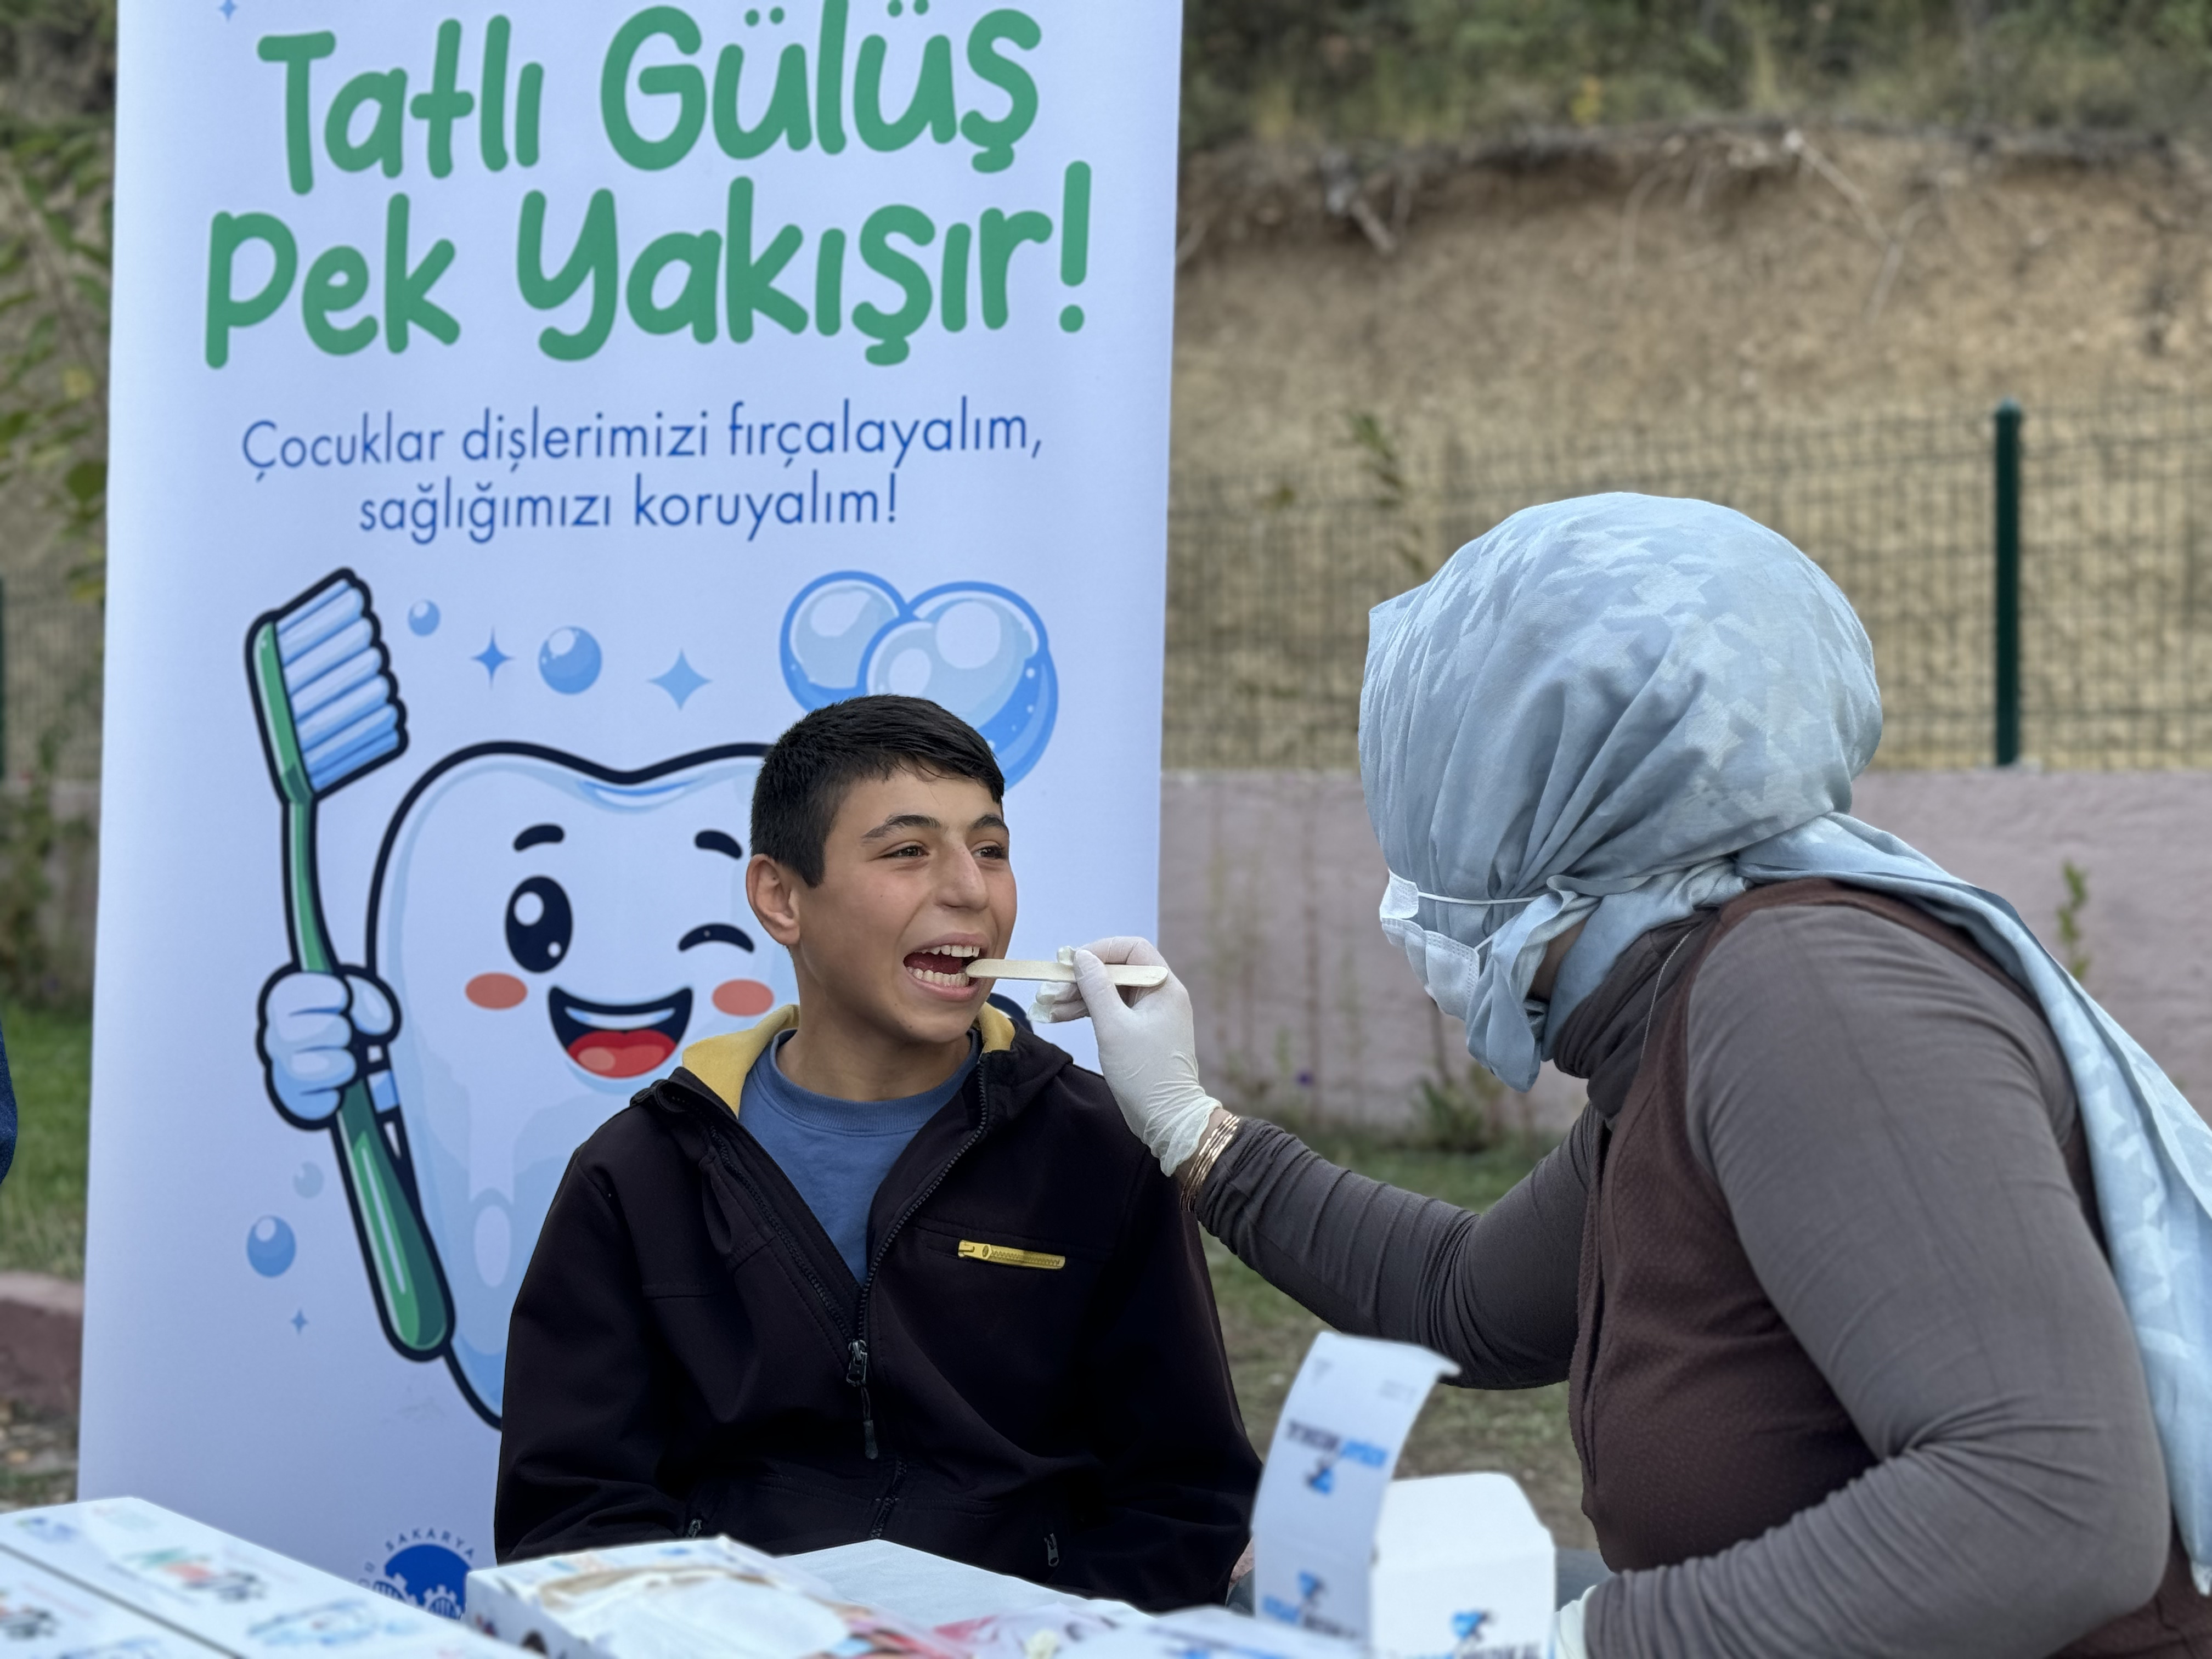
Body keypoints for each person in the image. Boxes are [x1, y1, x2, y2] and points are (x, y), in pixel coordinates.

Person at [1042, 495, 2212, 1658]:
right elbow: (1465, 1300)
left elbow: (2044, 1504)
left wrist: (1581, 1641)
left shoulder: (1802, 992)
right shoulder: (1682, 1012)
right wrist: (1192, 1125)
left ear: (1542, 792)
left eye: (1434, 782)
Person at [496, 695, 1260, 1608]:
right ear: (781, 898)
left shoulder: (1100, 1149)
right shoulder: (639, 1174)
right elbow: (573, 1519)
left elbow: (1184, 1502)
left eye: (991, 849)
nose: (970, 890)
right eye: (907, 851)